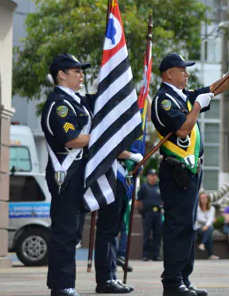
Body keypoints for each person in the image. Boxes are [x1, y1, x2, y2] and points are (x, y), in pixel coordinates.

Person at [151, 52, 229, 296]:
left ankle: (184, 278)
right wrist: (196, 105)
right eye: (183, 70)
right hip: (176, 171)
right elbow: (182, 129)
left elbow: (215, 87)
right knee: (178, 226)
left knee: (188, 226)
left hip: (190, 170)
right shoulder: (164, 100)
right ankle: (172, 282)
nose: (187, 73)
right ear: (169, 73)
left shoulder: (181, 96)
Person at [41, 54, 92, 296]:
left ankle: (65, 284)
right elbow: (71, 139)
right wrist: (100, 140)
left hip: (77, 175)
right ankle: (61, 286)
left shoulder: (77, 101)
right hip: (65, 175)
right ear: (62, 74)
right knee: (64, 231)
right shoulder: (58, 104)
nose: (82, 75)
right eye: (77, 71)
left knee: (72, 232)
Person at [94, 147, 141, 293]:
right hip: (110, 178)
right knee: (107, 231)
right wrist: (132, 156)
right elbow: (109, 144)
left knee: (113, 231)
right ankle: (104, 279)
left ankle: (111, 275)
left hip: (120, 179)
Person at [137, 169, 163, 262]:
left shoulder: (160, 187)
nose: (154, 177)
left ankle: (156, 255)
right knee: (146, 235)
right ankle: (145, 255)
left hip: (158, 213)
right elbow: (139, 200)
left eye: (155, 175)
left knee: (158, 235)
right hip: (147, 213)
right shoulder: (144, 187)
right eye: (152, 175)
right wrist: (141, 209)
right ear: (148, 176)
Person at [195, 193, 219, 260]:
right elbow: (198, 218)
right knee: (210, 229)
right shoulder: (197, 208)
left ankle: (202, 244)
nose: (204, 199)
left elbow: (211, 218)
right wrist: (208, 223)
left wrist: (207, 225)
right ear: (200, 199)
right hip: (198, 228)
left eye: (205, 198)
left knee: (209, 231)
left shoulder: (212, 208)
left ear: (208, 199)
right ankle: (210, 254)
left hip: (207, 228)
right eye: (202, 198)